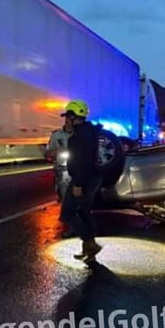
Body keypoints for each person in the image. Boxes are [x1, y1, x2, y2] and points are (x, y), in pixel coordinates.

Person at [60, 99, 103, 263]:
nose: (65, 121)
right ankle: (89, 250)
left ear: (73, 117)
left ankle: (90, 244)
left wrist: (78, 184)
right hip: (91, 178)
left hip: (83, 179)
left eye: (67, 117)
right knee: (84, 212)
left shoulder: (80, 136)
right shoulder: (89, 132)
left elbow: (83, 161)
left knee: (67, 214)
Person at [46, 116, 77, 237]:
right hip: (63, 170)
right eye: (68, 119)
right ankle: (70, 227)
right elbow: (48, 153)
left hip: (78, 170)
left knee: (81, 199)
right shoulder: (56, 135)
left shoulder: (80, 134)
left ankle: (83, 225)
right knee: (66, 200)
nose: (69, 121)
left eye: (72, 119)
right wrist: (55, 152)